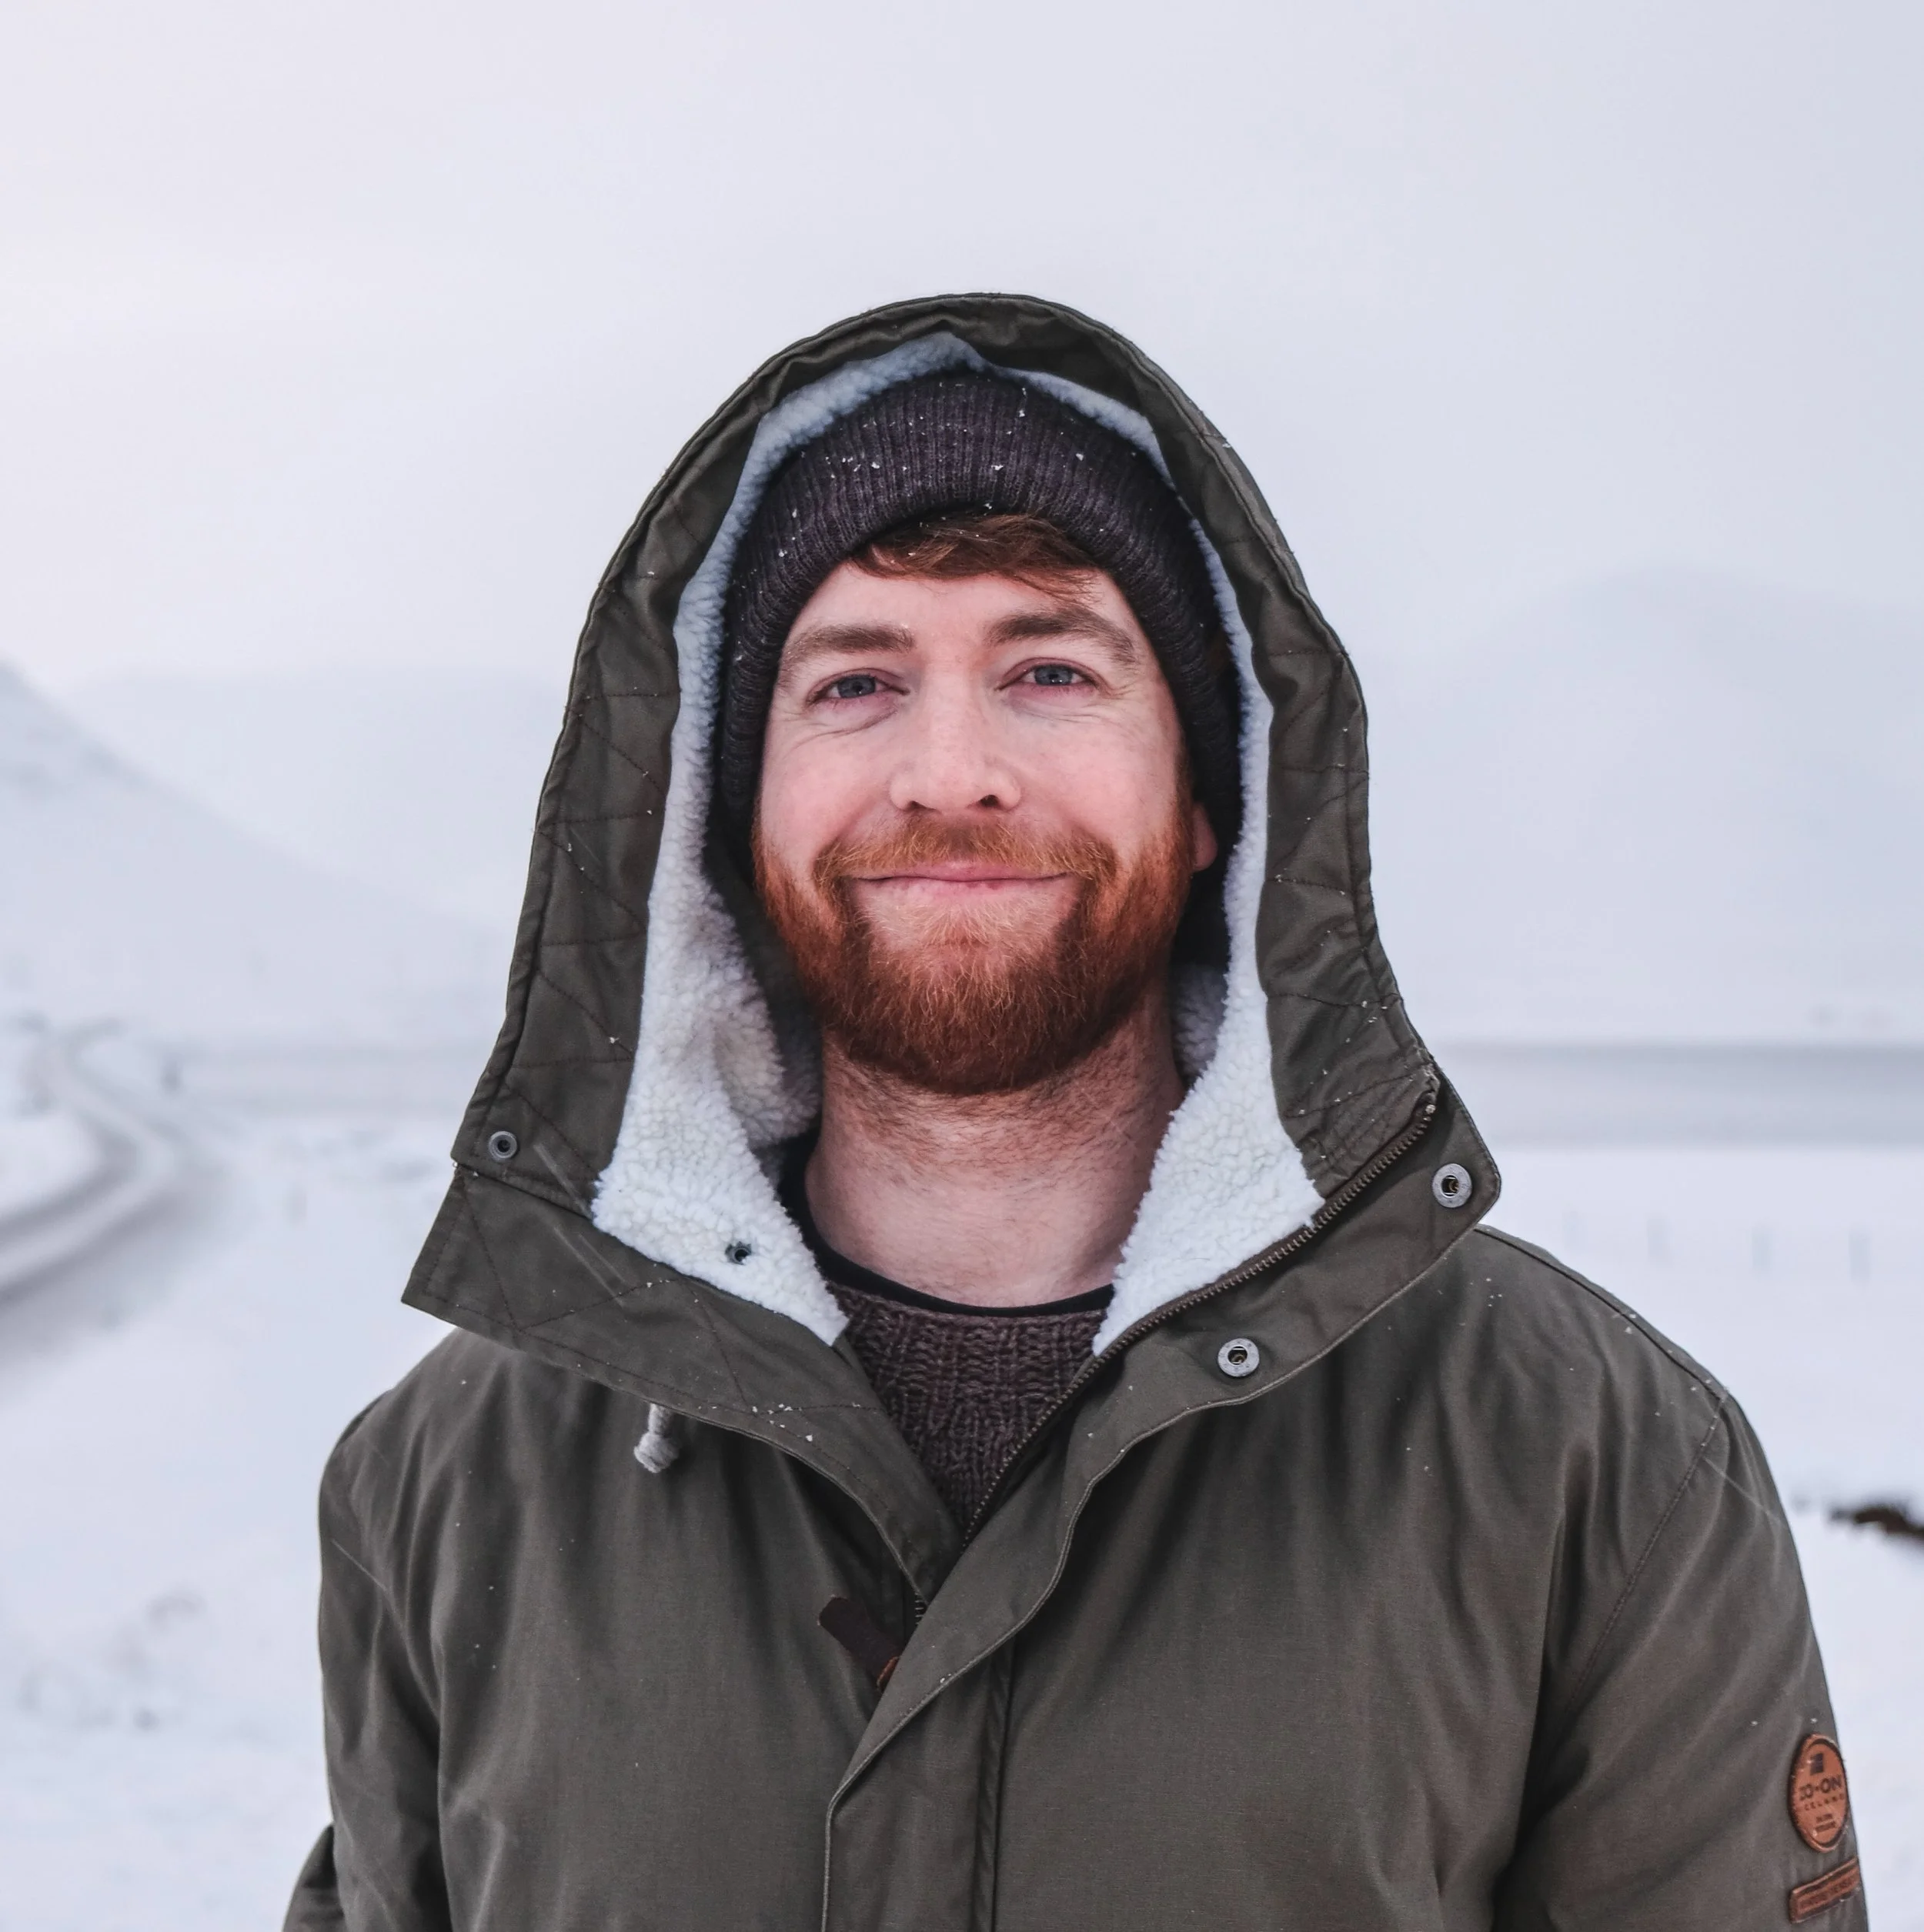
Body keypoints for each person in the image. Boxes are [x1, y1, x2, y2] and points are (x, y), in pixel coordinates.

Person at [286, 296, 1865, 1930]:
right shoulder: (449, 1483)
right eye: (850, 684)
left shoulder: (1582, 1459)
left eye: (1048, 667)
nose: (949, 770)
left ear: (1210, 801)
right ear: (720, 808)